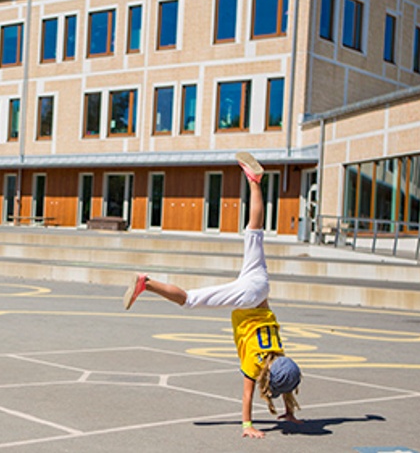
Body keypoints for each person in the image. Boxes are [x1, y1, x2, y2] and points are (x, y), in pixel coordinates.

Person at [123, 151, 302, 439]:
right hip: (247, 298)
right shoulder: (256, 363)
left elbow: (284, 378)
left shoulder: (278, 353)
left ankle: (255, 182)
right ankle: (147, 283)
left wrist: (290, 411)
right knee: (191, 300)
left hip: (260, 287)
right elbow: (247, 397)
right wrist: (248, 426)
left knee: (254, 232)